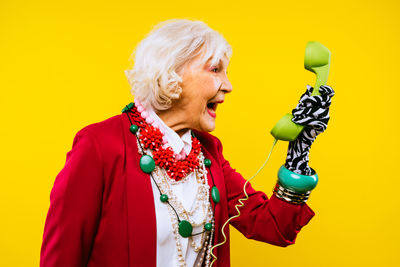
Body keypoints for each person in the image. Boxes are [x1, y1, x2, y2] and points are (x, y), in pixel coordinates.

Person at [40, 19, 334, 267]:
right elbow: (62, 258)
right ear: (172, 74)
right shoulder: (99, 146)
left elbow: (273, 227)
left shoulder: (209, 154)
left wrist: (299, 153)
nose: (229, 86)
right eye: (215, 69)